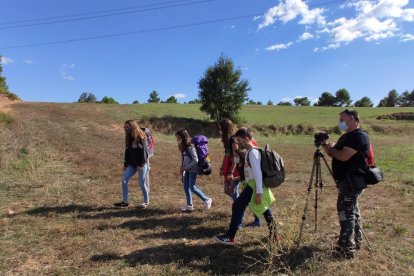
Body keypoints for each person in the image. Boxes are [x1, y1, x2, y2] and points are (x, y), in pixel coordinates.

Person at [214, 127, 278, 245]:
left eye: (239, 140)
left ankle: (230, 236)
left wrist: (258, 193)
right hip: (252, 185)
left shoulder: (253, 152)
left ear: (246, 139)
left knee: (238, 205)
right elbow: (241, 166)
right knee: (265, 209)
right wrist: (235, 153)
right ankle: (275, 235)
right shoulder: (248, 152)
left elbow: (258, 173)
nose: (237, 143)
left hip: (255, 186)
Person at [322, 109, 370, 259]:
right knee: (352, 212)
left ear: (352, 118)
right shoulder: (346, 137)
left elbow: (342, 156)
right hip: (346, 181)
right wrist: (326, 147)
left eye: (343, 119)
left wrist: (333, 150)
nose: (341, 123)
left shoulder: (359, 136)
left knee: (346, 214)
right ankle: (356, 241)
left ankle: (346, 249)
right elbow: (333, 154)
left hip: (352, 181)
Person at [114, 120, 150, 208]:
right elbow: (127, 152)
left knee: (142, 184)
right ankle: (125, 202)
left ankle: (146, 201)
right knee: (124, 180)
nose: (126, 129)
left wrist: (140, 164)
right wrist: (126, 164)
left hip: (141, 164)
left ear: (133, 126)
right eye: (125, 127)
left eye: (127, 127)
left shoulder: (141, 138)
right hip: (132, 164)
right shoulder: (129, 138)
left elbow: (144, 153)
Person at [176, 129, 212, 211]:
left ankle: (207, 199)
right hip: (187, 168)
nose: (177, 139)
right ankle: (189, 205)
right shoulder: (183, 146)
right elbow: (184, 158)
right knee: (186, 187)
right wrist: (182, 167)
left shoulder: (190, 146)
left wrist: (185, 167)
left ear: (183, 137)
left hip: (193, 169)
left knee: (192, 187)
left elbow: (196, 160)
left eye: (178, 137)